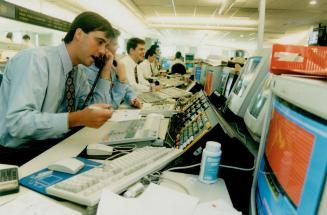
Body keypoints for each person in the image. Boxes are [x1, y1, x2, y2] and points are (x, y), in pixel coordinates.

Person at [0, 11, 115, 165]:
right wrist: (76, 118)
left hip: (51, 148)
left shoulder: (77, 72)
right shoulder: (35, 60)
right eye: (99, 42)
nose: (102, 51)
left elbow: (96, 112)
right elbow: (18, 123)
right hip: (18, 155)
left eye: (105, 45)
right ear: (79, 34)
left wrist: (105, 71)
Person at [83, 28, 141, 109]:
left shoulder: (112, 64)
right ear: (105, 47)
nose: (118, 46)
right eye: (115, 44)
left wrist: (132, 98)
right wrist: (121, 80)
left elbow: (127, 88)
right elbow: (109, 107)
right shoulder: (88, 70)